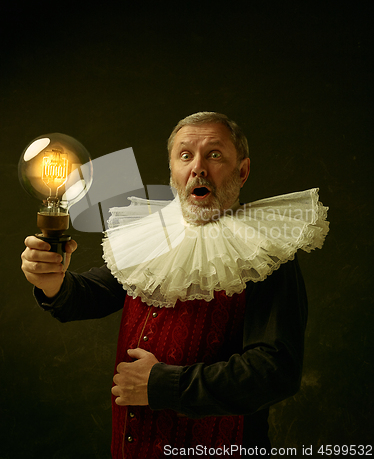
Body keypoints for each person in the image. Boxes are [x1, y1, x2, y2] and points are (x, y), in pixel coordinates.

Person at [21, 112, 314, 458]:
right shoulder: (150, 237)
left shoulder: (267, 254)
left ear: (243, 171)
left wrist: (161, 385)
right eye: (185, 155)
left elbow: (275, 371)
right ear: (173, 171)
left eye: (214, 155)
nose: (198, 168)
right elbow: (88, 296)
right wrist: (53, 282)